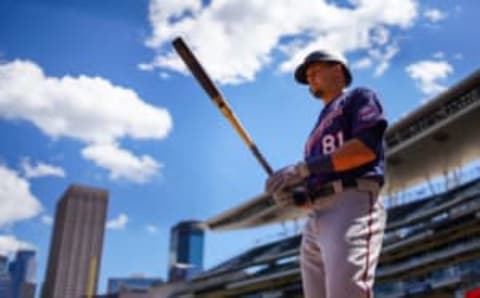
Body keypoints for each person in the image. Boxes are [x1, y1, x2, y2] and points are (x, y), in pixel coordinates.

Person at [265, 50, 388, 298]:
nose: (310, 78)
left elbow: (365, 149)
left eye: (315, 72)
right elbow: (317, 174)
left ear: (338, 71)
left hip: (351, 200)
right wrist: (298, 196)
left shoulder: (359, 97)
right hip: (316, 213)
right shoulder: (314, 133)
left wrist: (302, 169)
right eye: (307, 76)